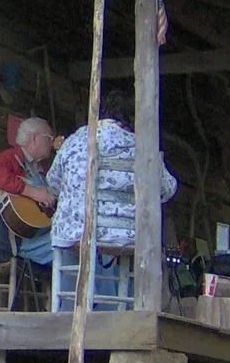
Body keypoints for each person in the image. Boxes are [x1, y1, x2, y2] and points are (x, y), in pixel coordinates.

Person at [45, 88, 178, 306]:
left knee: (74, 242)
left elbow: (52, 182)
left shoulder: (76, 140)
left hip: (77, 231)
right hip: (126, 235)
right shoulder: (143, 147)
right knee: (111, 251)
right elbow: (168, 188)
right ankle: (114, 311)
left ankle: (69, 312)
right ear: (131, 118)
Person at [0, 116, 58, 268]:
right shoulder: (10, 157)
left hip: (36, 233)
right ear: (34, 138)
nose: (51, 143)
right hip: (13, 238)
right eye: (49, 138)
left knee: (72, 242)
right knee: (69, 245)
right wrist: (32, 192)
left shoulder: (41, 168)